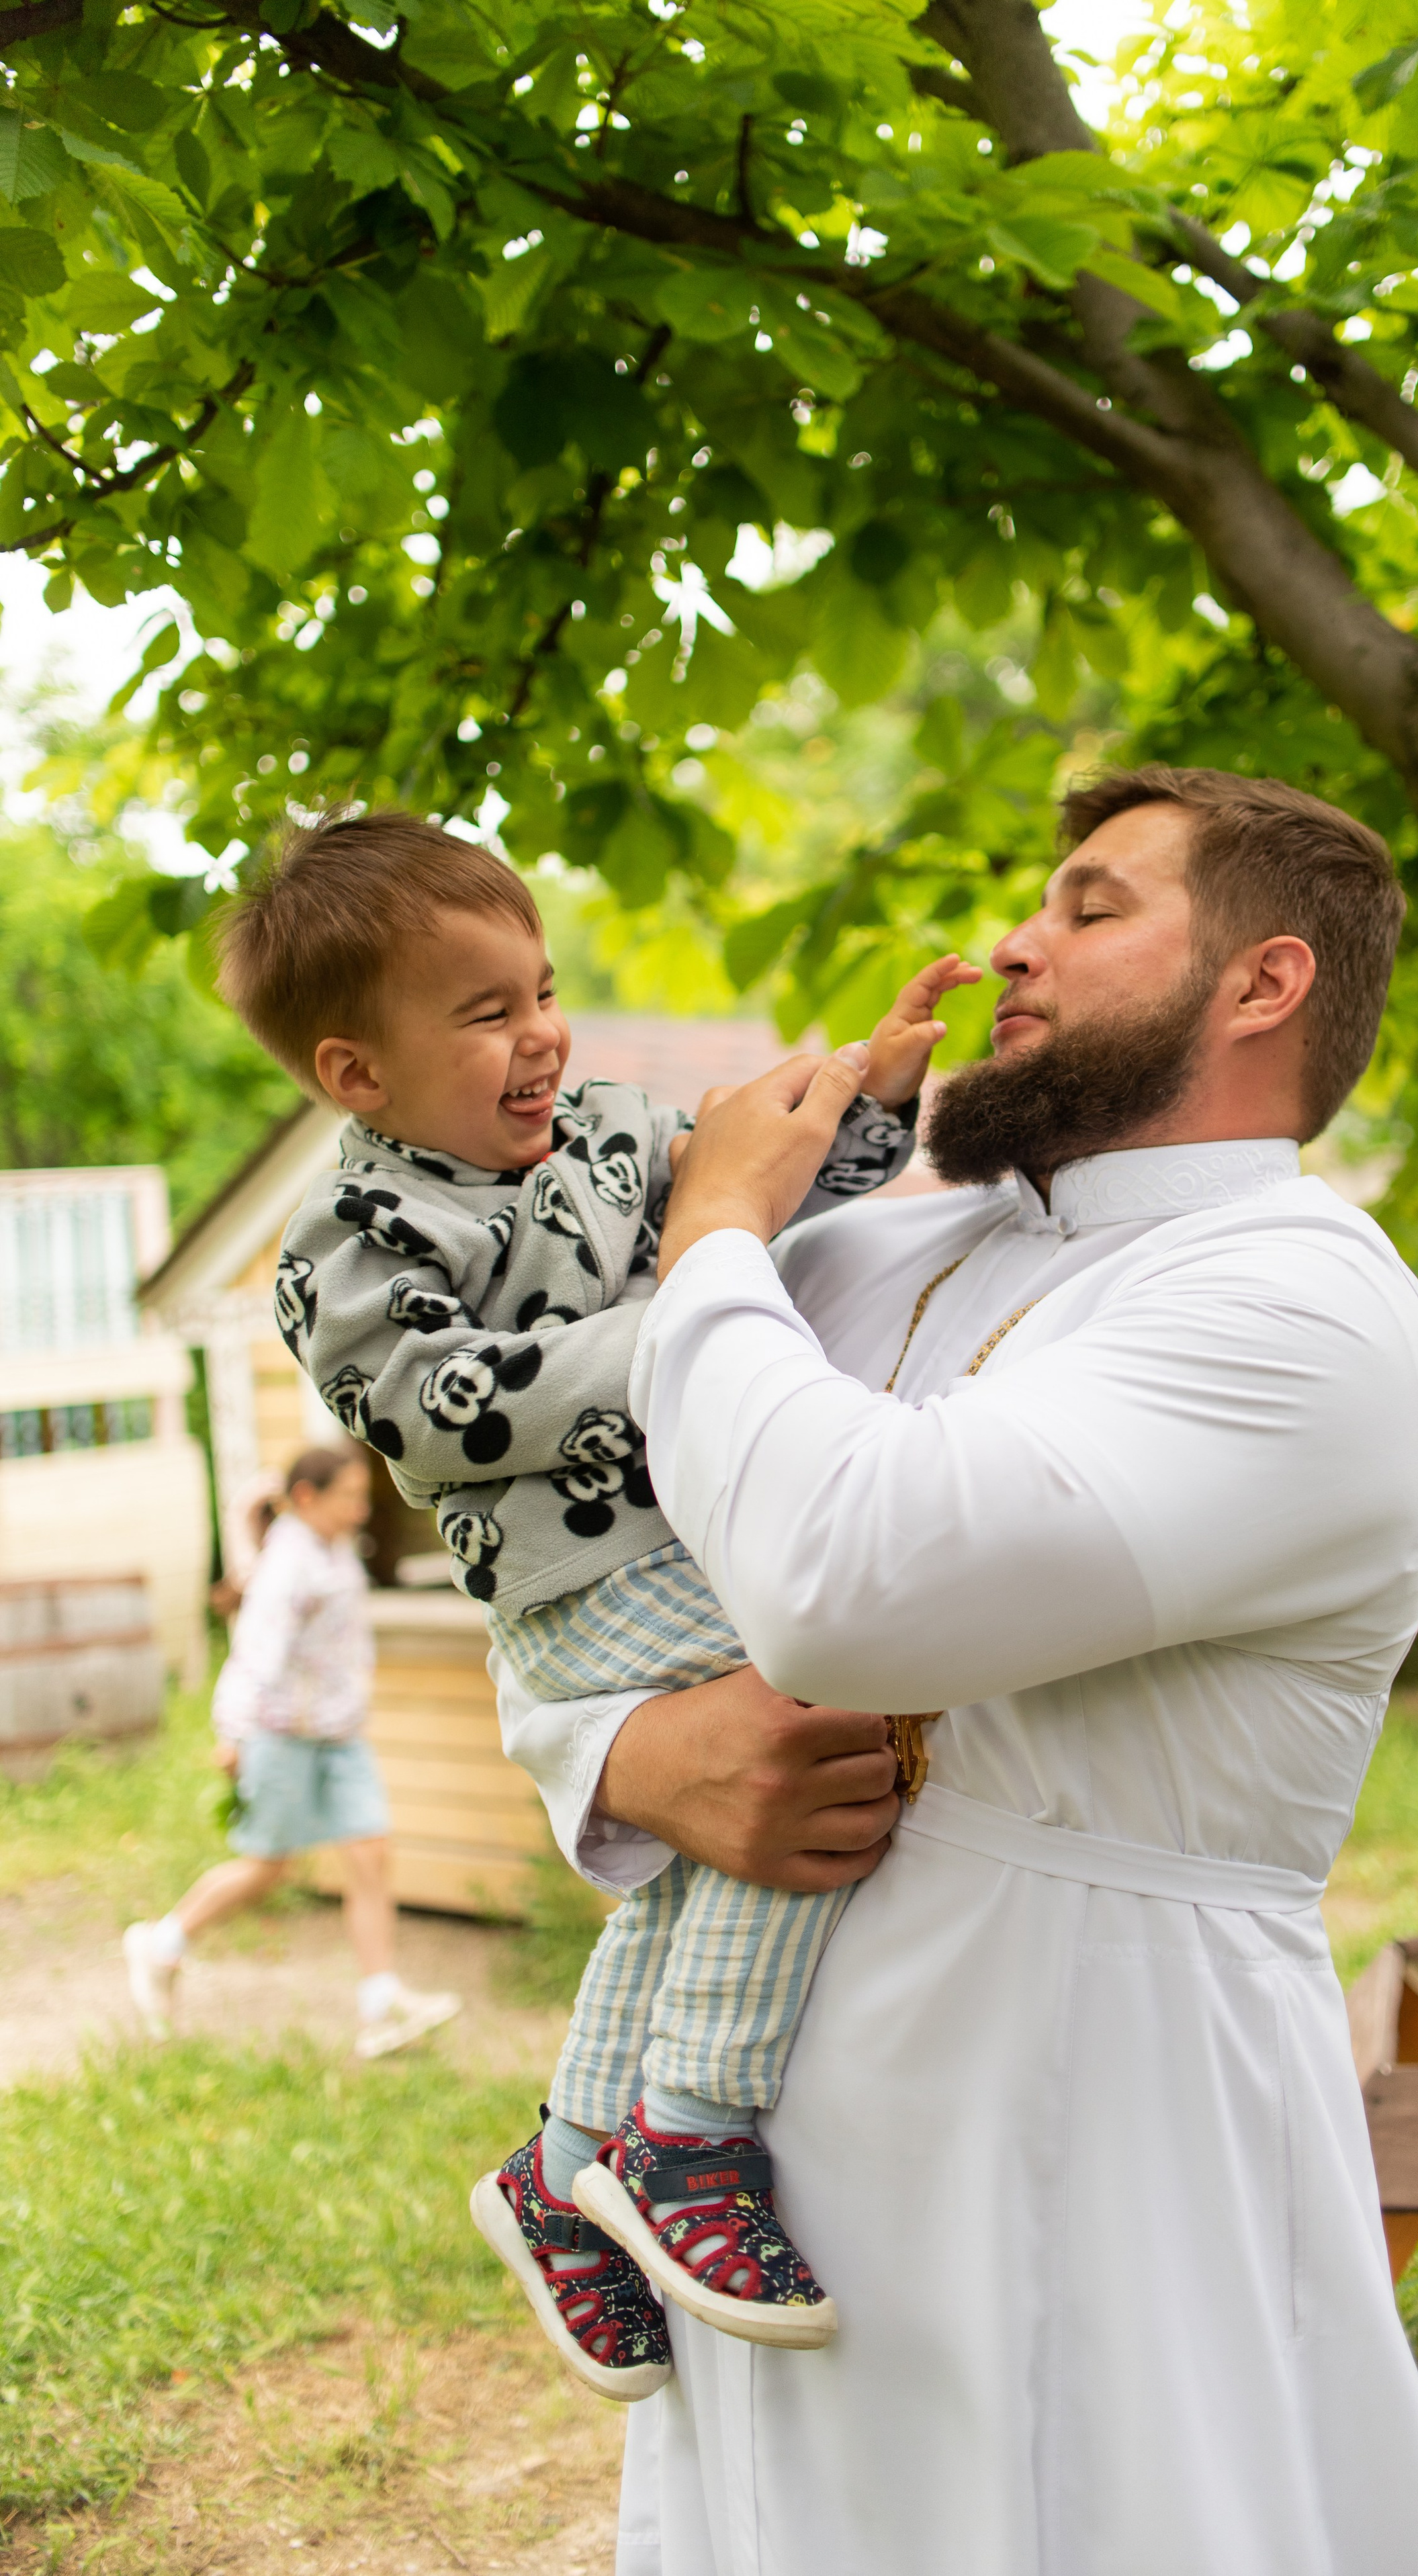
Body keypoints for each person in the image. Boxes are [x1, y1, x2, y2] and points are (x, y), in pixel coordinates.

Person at [517, 766, 1418, 2575]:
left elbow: (845, 1582)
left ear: (1262, 985)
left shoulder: (1303, 1301)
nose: (1013, 946)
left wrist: (713, 1232)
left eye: (1093, 907)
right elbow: (585, 1565)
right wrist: (624, 1762)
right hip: (747, 2152)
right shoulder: (900, 1236)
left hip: (1093, 2103)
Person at [215, 809, 971, 2397]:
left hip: (685, 1543)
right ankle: (687, 2133)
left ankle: (566, 2163)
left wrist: (873, 1097)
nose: (541, 1031)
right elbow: (441, 1407)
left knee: (710, 1847)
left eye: (540, 988)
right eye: (484, 1011)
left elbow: (766, 1195)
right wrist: (686, 1310)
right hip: (577, 1582)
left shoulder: (611, 1130)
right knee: (817, 1712)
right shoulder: (349, 1236)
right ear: (358, 1072)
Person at [124, 1444, 461, 2060]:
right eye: (350, 1496)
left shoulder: (332, 1548)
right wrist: (233, 1735)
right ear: (308, 1497)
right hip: (282, 1733)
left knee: (370, 1853)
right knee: (268, 1864)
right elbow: (256, 1654)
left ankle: (380, 2005)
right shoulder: (288, 1564)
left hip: (340, 1735)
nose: (361, 1509)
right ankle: (162, 1942)